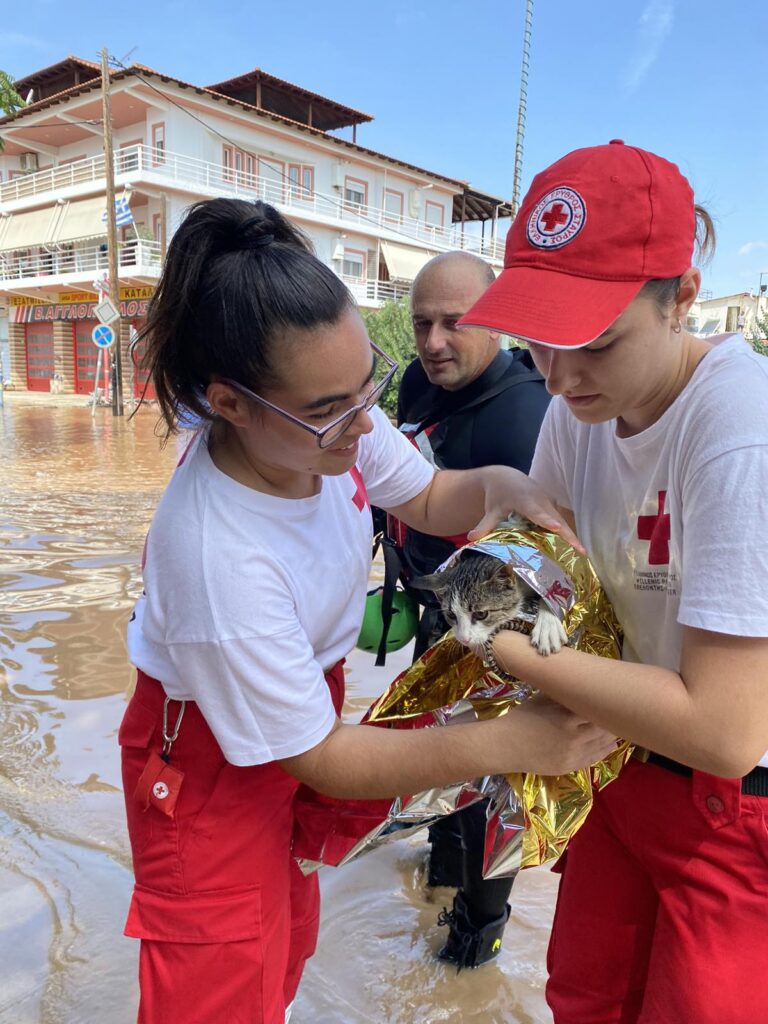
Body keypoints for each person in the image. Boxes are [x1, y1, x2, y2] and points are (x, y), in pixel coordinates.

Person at [119, 197, 615, 1024]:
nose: (361, 426)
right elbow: (320, 758)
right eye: (328, 411)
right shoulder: (215, 555)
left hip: (301, 703)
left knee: (284, 944)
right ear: (229, 403)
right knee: (216, 981)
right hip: (203, 761)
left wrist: (501, 485)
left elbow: (421, 490)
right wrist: (510, 741)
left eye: (366, 391)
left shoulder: (329, 420)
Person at [459, 140, 768, 1024]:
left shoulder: (738, 432)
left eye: (594, 341)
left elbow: (727, 729)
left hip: (731, 806)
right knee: (585, 998)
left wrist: (508, 646)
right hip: (616, 763)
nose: (559, 377)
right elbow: (548, 575)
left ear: (684, 301)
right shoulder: (573, 408)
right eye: (539, 342)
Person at [384, 250, 551, 967]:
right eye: (422, 322)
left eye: (455, 322)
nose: (432, 341)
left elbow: (550, 567)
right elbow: (397, 485)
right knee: (430, 762)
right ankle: (439, 885)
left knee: (493, 787)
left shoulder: (531, 410)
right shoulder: (417, 384)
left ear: (495, 320)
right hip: (434, 615)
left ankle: (473, 950)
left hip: (503, 640)